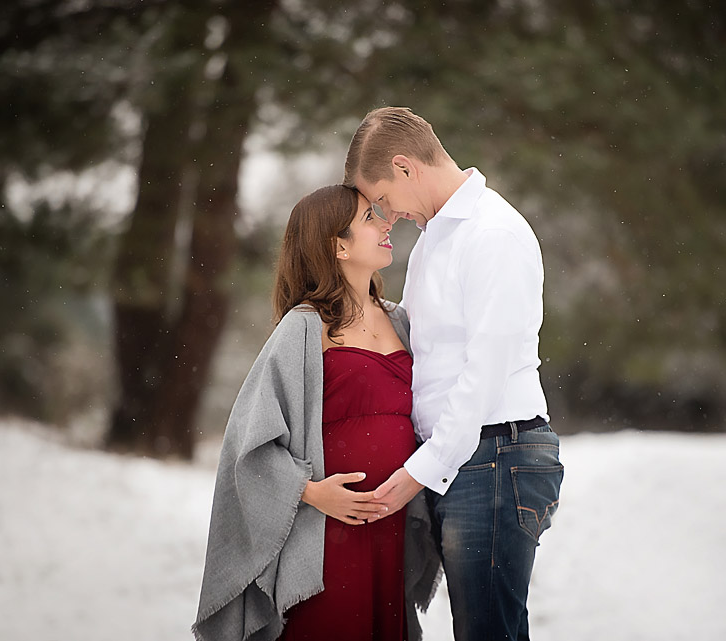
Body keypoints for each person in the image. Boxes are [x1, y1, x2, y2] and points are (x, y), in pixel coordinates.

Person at [344, 107, 565, 641]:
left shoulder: (494, 233)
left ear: (405, 168)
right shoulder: (434, 239)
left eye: (381, 198)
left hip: (495, 455)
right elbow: (423, 346)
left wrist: (424, 468)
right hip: (464, 457)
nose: (385, 214)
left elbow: (482, 373)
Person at [192, 185, 441, 641]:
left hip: (393, 524)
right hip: (327, 535)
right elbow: (246, 443)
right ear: (337, 245)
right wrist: (309, 493)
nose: (387, 224)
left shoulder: (402, 320)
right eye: (371, 217)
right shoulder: (304, 328)